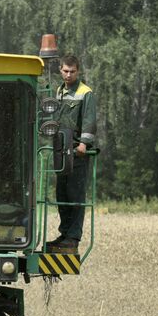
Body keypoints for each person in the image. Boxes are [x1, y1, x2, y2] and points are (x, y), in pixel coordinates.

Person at [50, 55, 98, 253]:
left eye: (72, 71)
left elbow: (89, 120)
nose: (68, 74)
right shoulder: (59, 91)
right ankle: (64, 233)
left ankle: (73, 237)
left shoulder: (85, 93)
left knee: (75, 194)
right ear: (60, 71)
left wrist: (84, 145)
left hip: (77, 152)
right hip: (61, 150)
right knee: (62, 193)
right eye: (65, 71)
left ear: (78, 72)